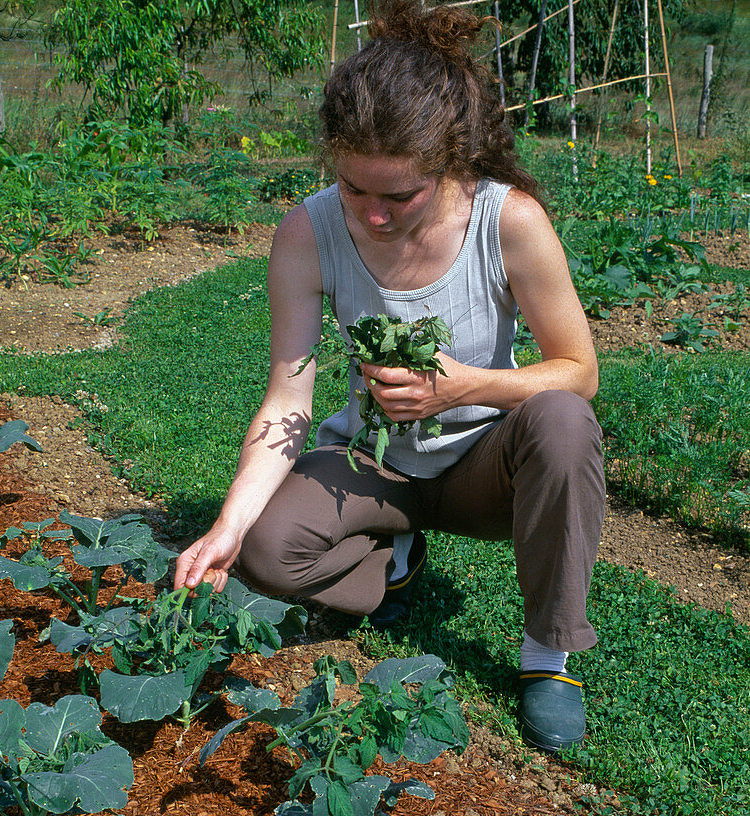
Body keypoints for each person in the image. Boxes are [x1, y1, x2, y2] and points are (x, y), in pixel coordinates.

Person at [174, 0, 606, 754]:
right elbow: (288, 397)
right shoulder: (308, 231)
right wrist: (229, 525)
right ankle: (391, 563)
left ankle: (548, 654)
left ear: (450, 163)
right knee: (268, 552)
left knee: (563, 421)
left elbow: (580, 371)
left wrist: (462, 386)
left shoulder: (509, 220)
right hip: (371, 464)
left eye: (398, 196)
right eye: (353, 190)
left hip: (483, 469)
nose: (372, 216)